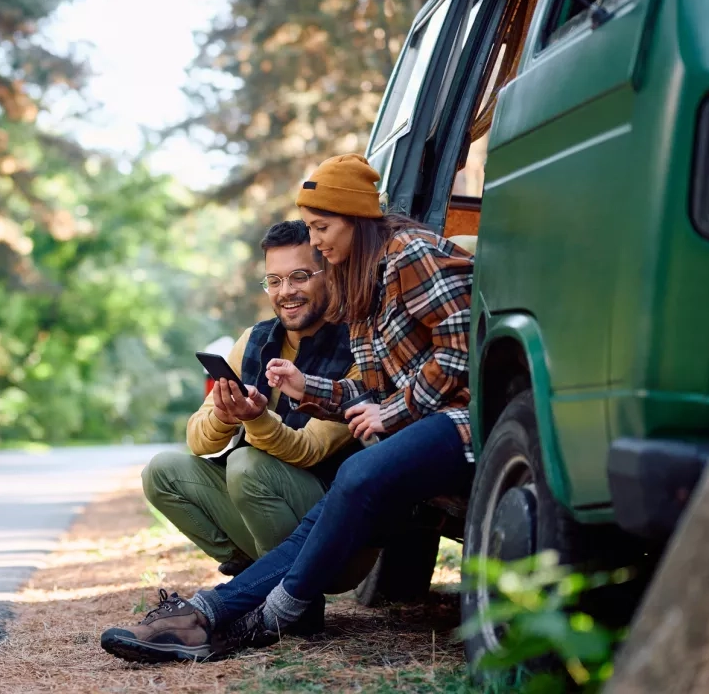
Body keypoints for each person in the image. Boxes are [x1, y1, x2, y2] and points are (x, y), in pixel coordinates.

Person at [99, 153, 476, 664]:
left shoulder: (409, 252)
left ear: (356, 220)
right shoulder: (360, 285)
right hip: (421, 429)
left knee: (352, 474)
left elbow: (462, 350)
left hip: (463, 419)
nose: (317, 239)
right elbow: (363, 391)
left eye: (323, 227)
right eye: (275, 279)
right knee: (319, 506)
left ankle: (239, 616)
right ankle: (218, 612)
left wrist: (392, 411)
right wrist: (308, 387)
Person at [143, 220, 360, 584]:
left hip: (334, 527)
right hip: (262, 508)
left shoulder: (357, 345)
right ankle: (253, 575)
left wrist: (257, 419)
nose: (285, 291)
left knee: (246, 463)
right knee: (161, 471)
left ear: (330, 274)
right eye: (273, 281)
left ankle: (293, 597)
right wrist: (225, 416)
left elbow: (309, 450)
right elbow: (197, 439)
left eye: (299, 277)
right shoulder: (254, 339)